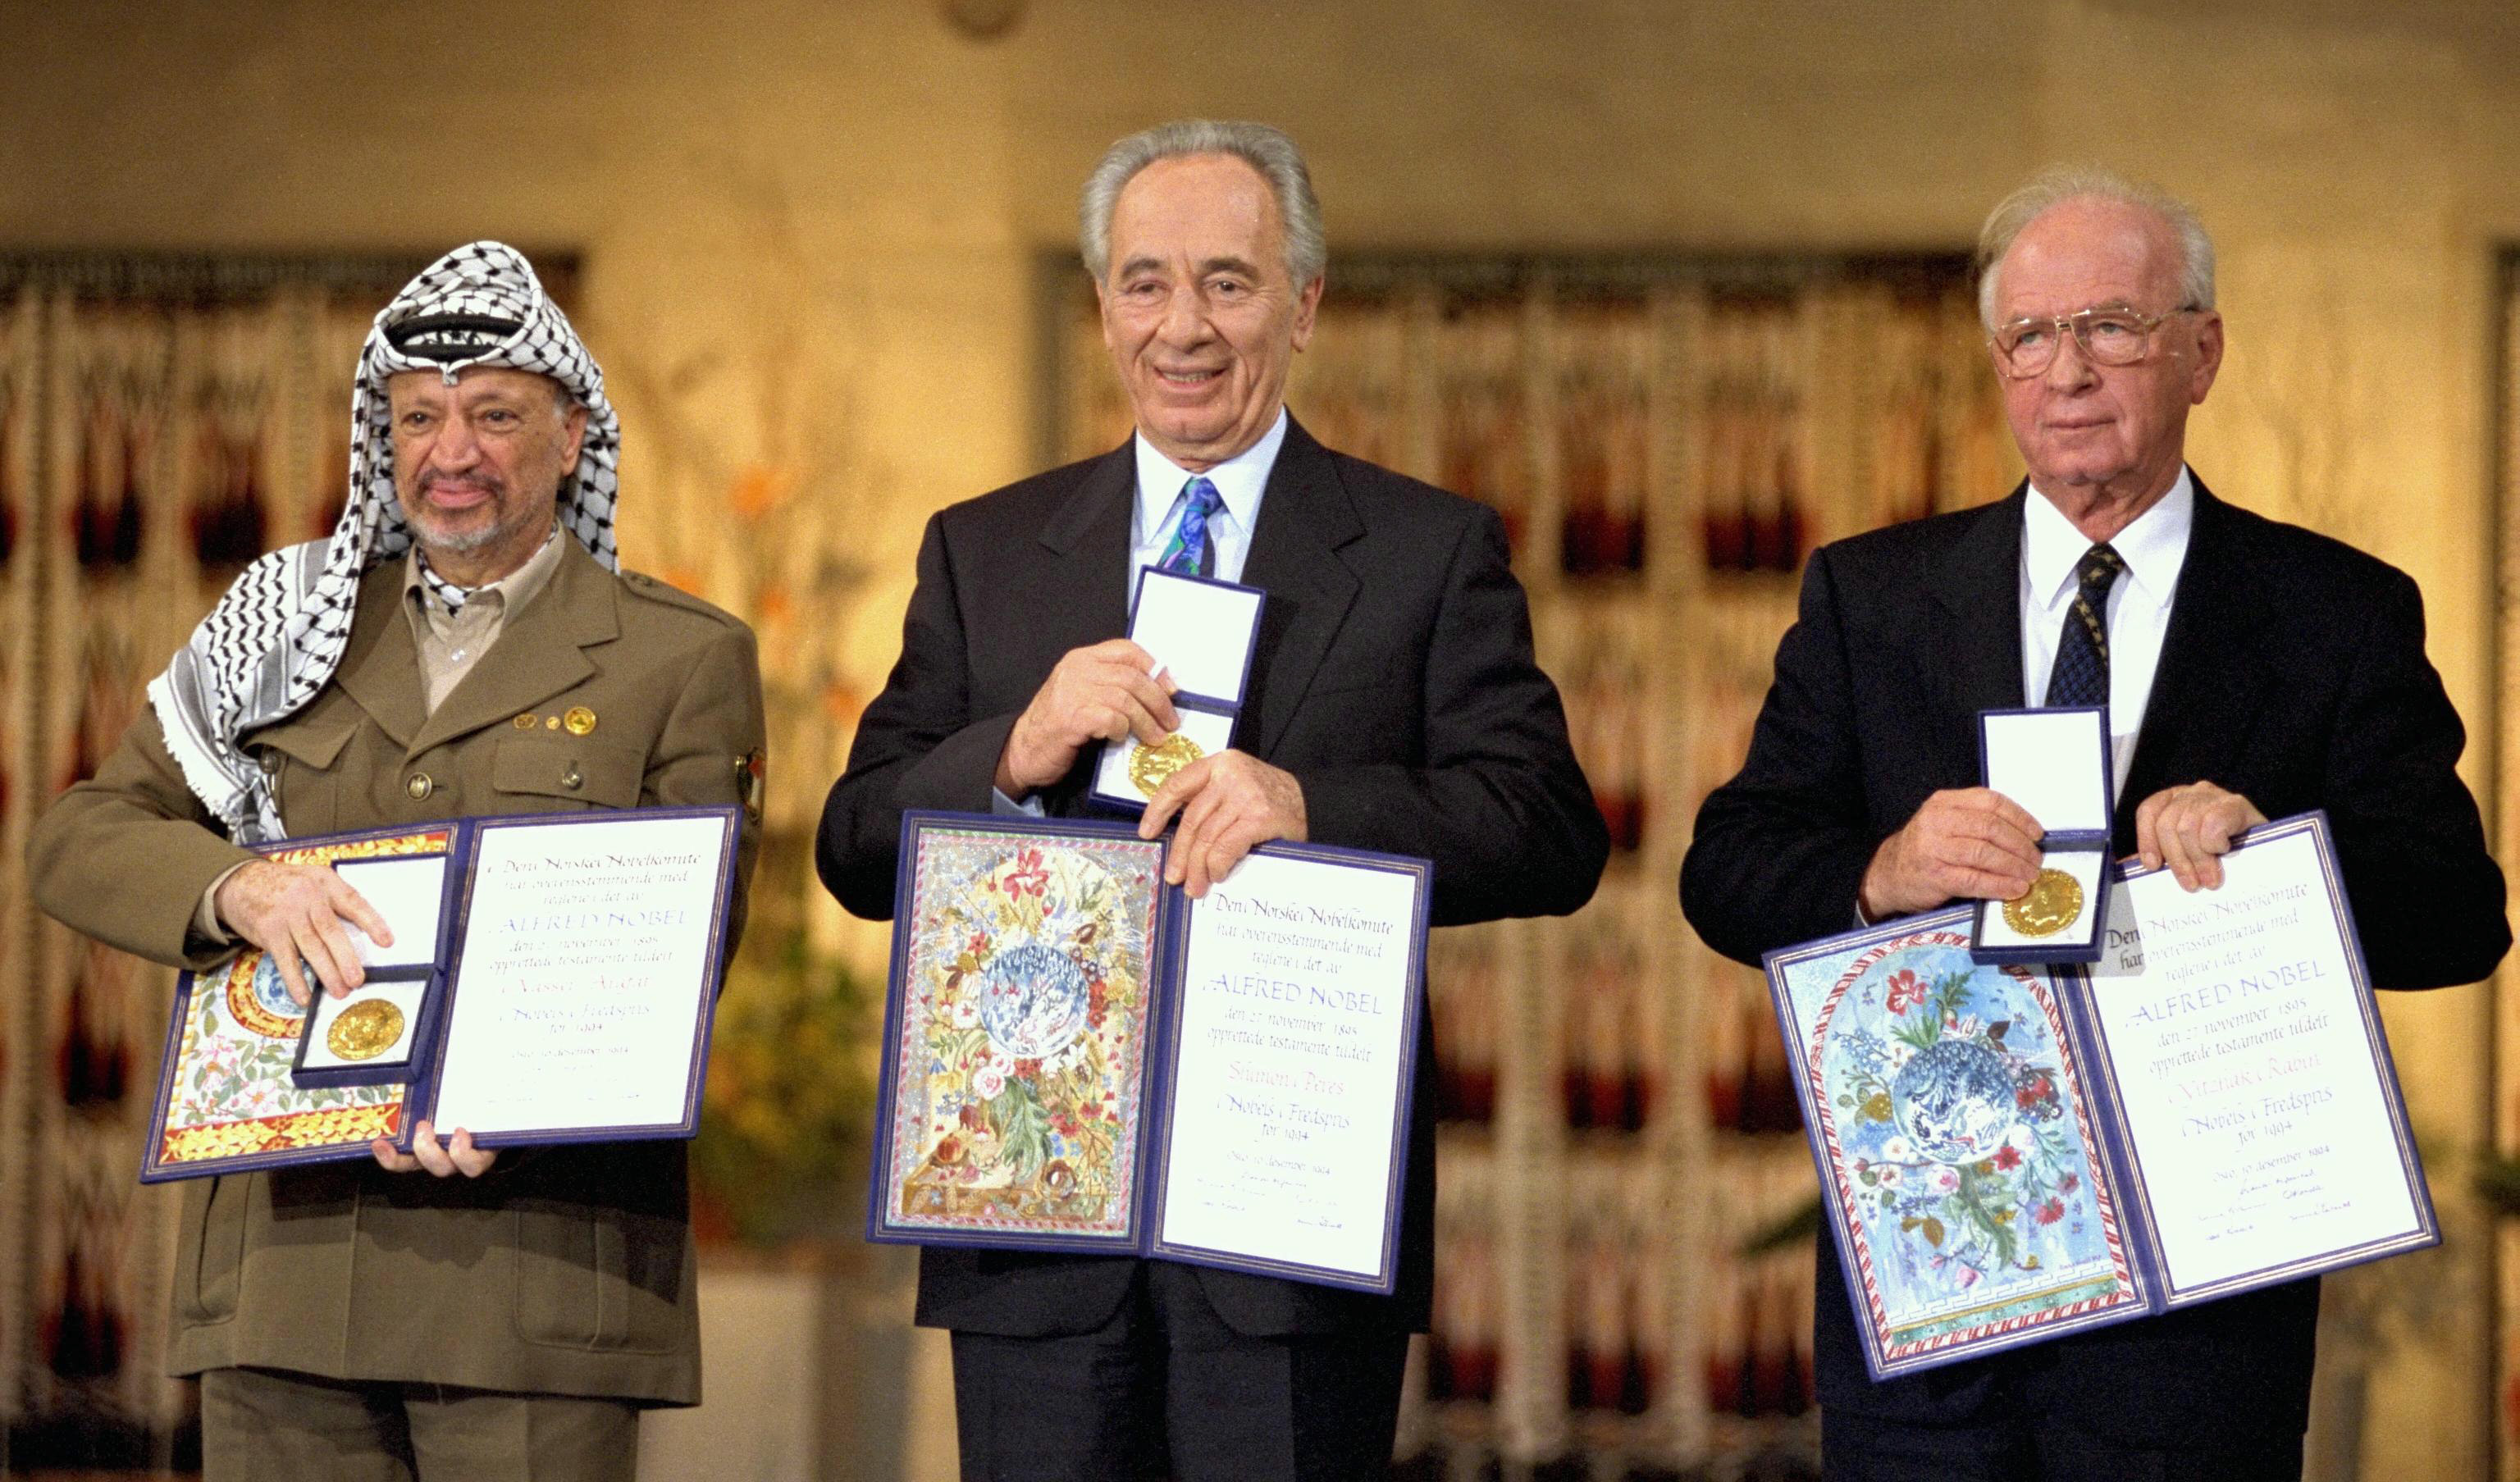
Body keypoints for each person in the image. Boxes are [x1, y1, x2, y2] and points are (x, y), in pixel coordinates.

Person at [1679, 168, 2509, 1481]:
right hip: (1935, 1297)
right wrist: (1882, 870)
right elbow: (1726, 870)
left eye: (2112, 325)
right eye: (2031, 336)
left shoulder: (2335, 609)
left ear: (2203, 351)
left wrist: (2276, 844)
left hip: (2199, 1327)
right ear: (2000, 364)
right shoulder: (1871, 597)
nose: (2068, 370)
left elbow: (2459, 914)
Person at [818, 119, 1608, 1480]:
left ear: (1303, 305)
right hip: (1033, 1227)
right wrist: (1015, 750)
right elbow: (855, 844)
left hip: (1290, 1229)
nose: (1183, 326)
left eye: (1228, 284)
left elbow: (1547, 828)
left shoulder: (1425, 550)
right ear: (1102, 306)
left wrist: (1314, 806)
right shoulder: (984, 550)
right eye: (1145, 282)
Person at [30, 243, 765, 1482]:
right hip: (283, 1275)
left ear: (572, 437)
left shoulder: (677, 659)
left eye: (493, 413)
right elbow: (80, 835)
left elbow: (685, 954)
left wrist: (515, 1103)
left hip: (531, 1284)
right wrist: (236, 886)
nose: (452, 451)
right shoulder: (283, 623)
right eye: (418, 417)